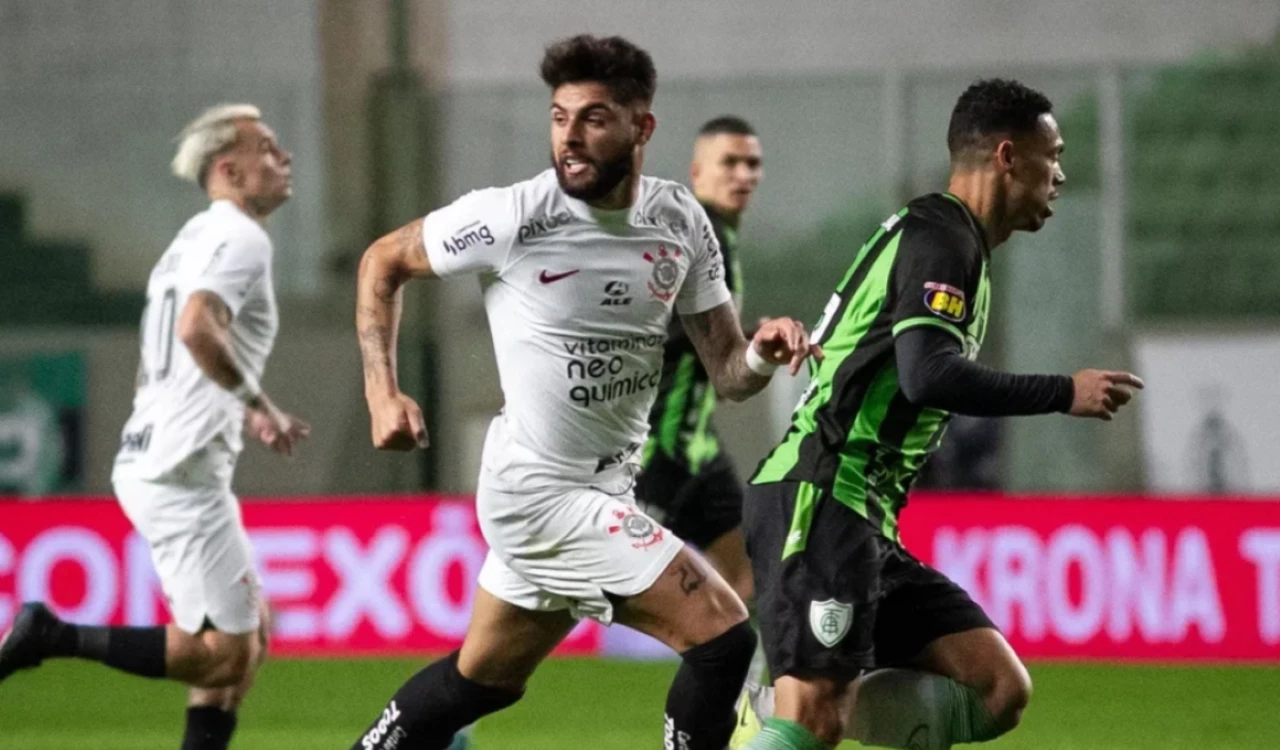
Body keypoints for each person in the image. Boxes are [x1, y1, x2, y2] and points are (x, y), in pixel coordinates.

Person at [349, 35, 818, 750]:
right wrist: (383, 392)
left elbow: (727, 372)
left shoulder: (681, 222)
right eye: (559, 116)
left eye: (594, 118)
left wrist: (760, 350)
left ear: (642, 127)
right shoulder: (512, 216)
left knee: (483, 681)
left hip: (606, 490)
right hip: (538, 492)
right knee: (722, 637)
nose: (569, 137)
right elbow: (383, 260)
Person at [732, 79, 1144, 750]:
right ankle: (782, 715)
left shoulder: (953, 243)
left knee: (996, 688)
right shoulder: (941, 238)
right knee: (813, 717)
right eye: (1054, 153)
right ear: (1008, 156)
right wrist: (1061, 393)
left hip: (863, 516)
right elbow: (927, 376)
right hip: (823, 492)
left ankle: (775, 706)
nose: (1061, 173)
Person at [0, 104, 309, 750]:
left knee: (252, 636)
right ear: (228, 168)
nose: (284, 159)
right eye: (269, 149)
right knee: (226, 653)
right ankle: (54, 636)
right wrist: (262, 404)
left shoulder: (189, 240)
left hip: (162, 458)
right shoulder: (242, 238)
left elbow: (161, 354)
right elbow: (197, 327)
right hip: (181, 473)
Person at [637, 115, 764, 603]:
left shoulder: (721, 237)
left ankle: (741, 680)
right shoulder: (701, 232)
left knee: (746, 575)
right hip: (657, 446)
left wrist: (752, 337)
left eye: (752, 164)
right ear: (698, 173)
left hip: (698, 450)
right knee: (618, 589)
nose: (743, 174)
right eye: (729, 162)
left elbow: (705, 332)